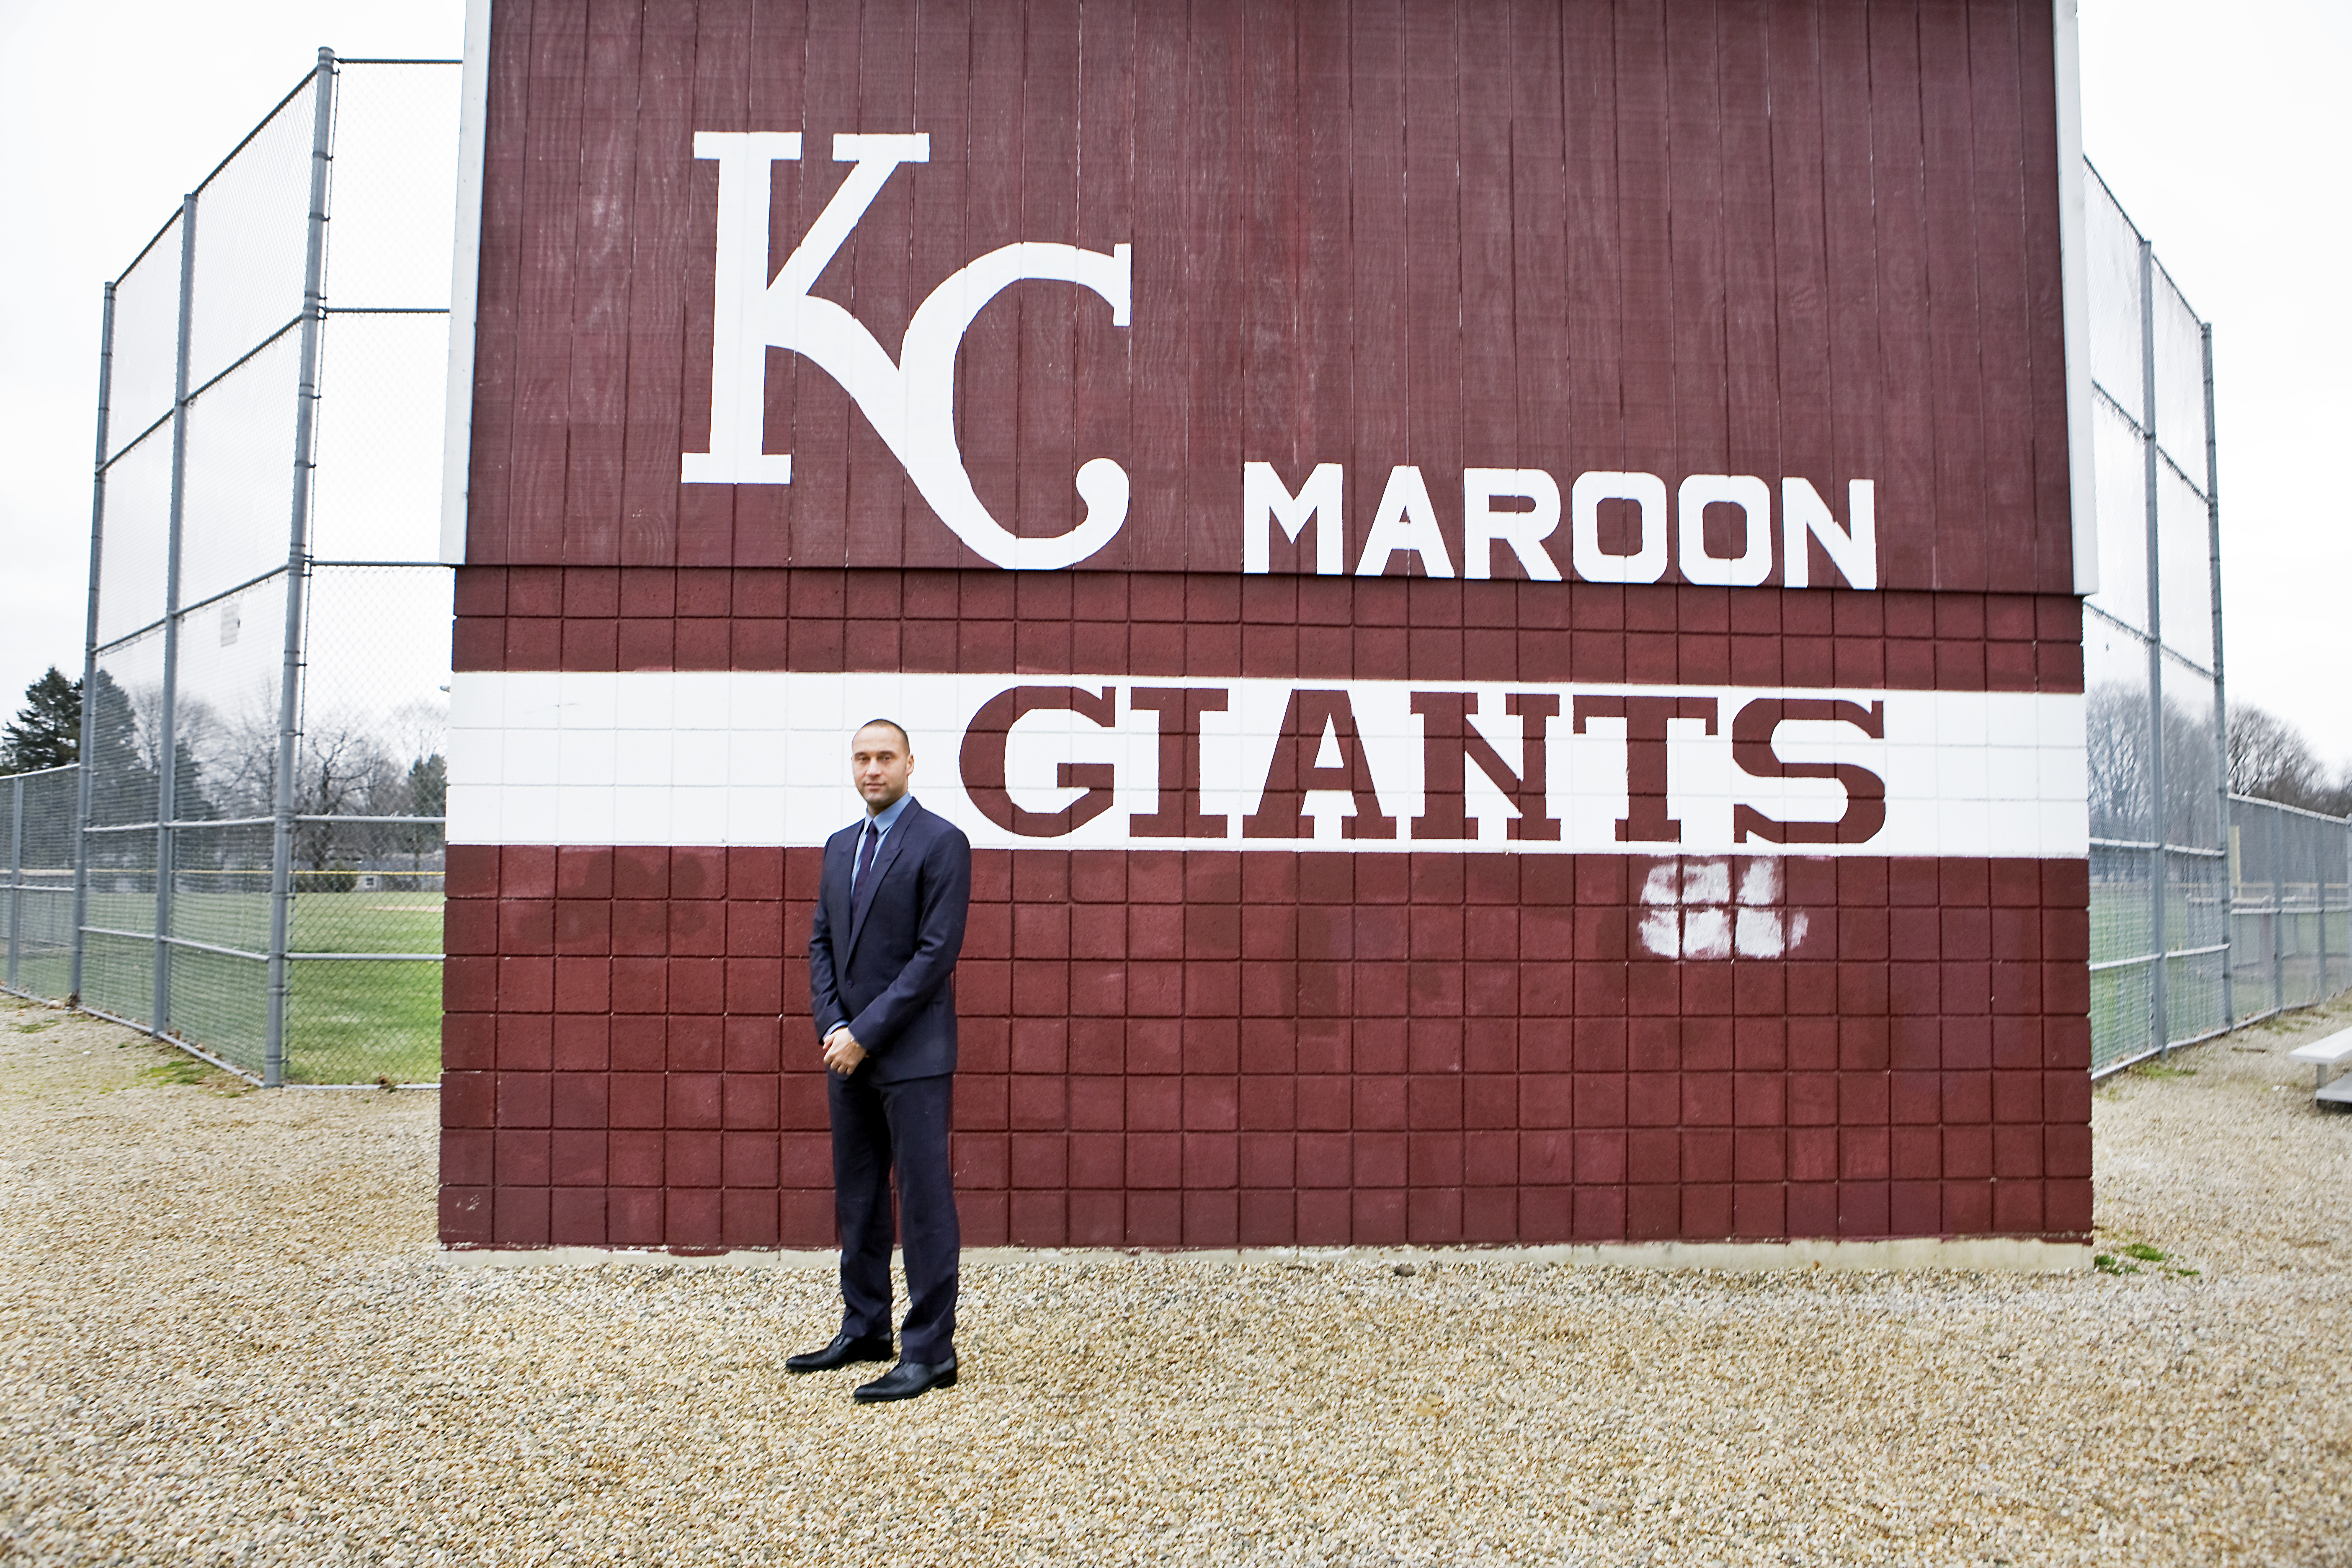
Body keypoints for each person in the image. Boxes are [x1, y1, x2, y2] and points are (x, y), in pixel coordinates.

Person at [786, 718, 972, 1402]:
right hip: (850, 1056)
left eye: (884, 758)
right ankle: (865, 1327)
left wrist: (864, 1031)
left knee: (924, 1205)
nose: (872, 769)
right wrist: (835, 1025)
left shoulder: (942, 843)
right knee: (859, 1201)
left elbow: (934, 956)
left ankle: (930, 1351)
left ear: (910, 764)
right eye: (862, 758)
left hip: (912, 1055)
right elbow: (821, 945)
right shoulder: (840, 847)